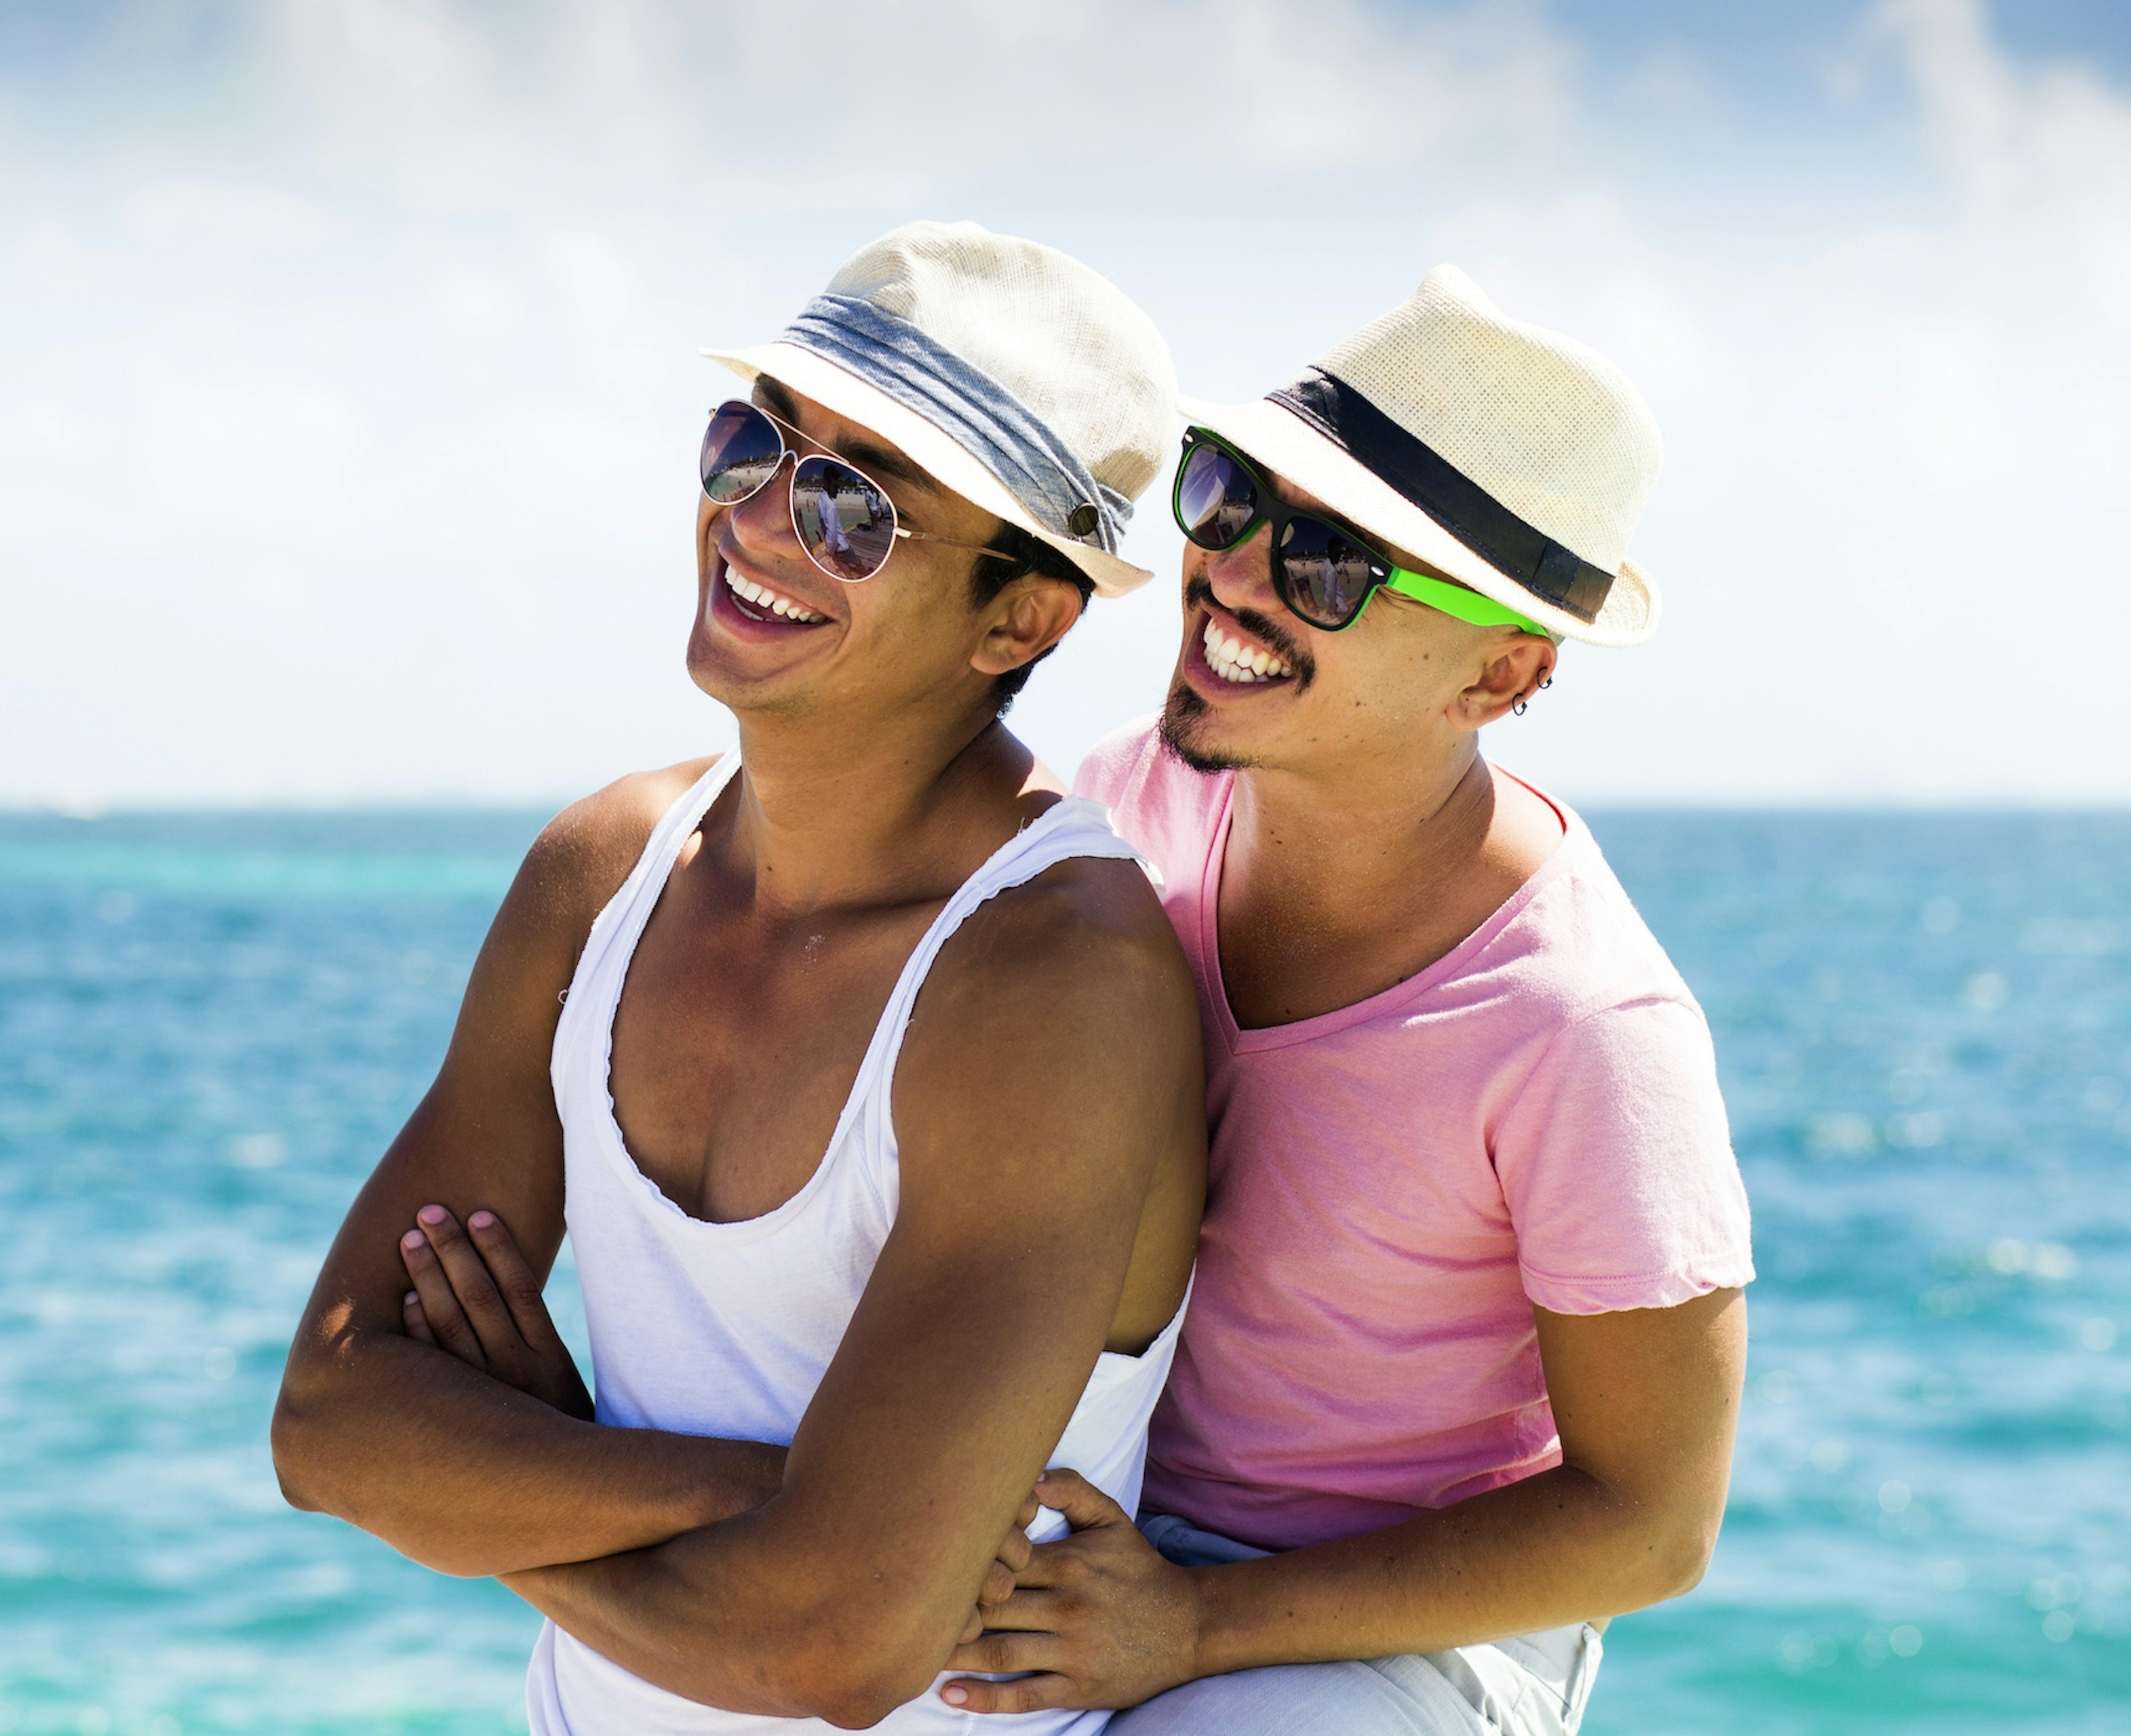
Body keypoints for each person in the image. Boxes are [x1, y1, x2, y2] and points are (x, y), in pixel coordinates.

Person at [270, 221, 1209, 1734]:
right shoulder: (606, 871)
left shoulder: (1052, 982)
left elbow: (835, 1648)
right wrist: (766, 1494)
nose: (764, 521)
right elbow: (326, 1419)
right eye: (751, 443)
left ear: (1023, 617)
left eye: (854, 507)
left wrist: (508, 1480)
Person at [939, 266, 1755, 1735]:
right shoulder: (1134, 795)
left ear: (1500, 670)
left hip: (1393, 1637)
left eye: (1331, 564)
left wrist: (1193, 1623)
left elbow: (1654, 1522)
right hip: (1093, 1523)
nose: (1236, 575)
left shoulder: (1585, 1028)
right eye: (1233, 498)